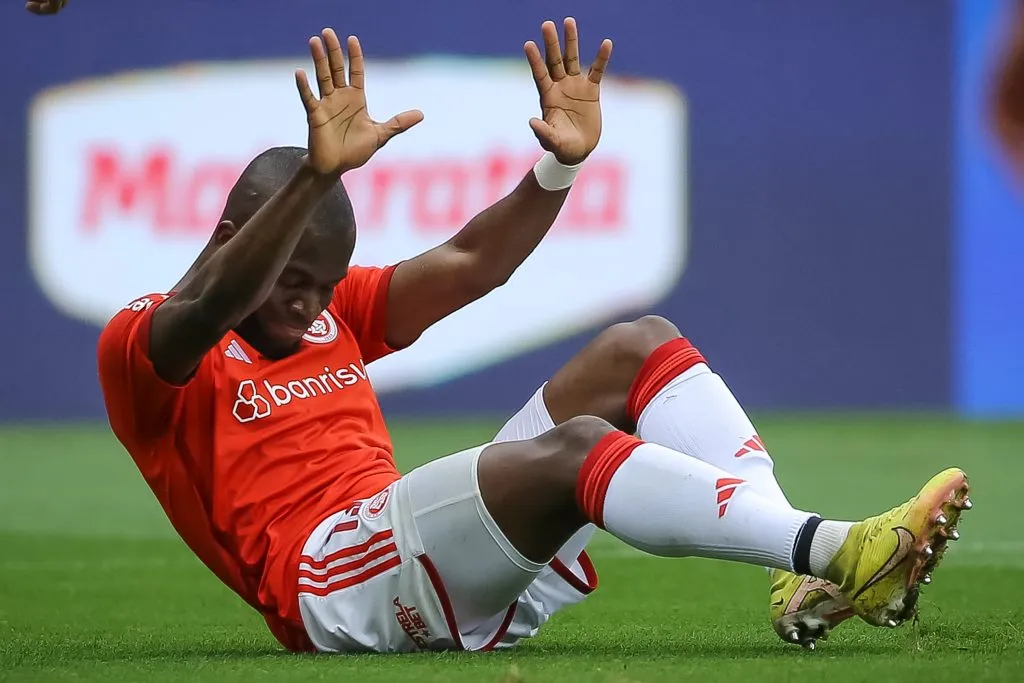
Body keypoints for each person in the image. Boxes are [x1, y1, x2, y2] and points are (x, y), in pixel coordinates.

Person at [96, 20, 970, 654]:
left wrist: (560, 167)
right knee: (576, 451)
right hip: (330, 585)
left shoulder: (330, 311)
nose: (310, 304)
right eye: (293, 280)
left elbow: (473, 259)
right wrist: (313, 178)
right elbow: (208, 308)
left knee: (637, 347)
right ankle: (839, 548)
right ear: (231, 237)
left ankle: (793, 570)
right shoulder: (147, 346)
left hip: (412, 551)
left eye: (324, 284)